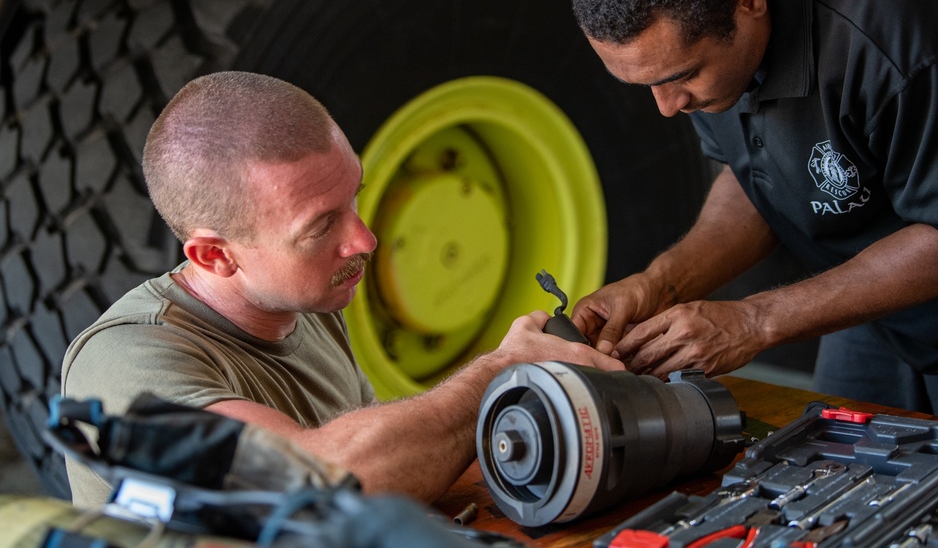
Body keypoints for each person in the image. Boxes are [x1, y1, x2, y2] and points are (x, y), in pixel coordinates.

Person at [60, 71, 623, 508]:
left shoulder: (306, 299)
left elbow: (394, 470)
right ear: (215, 255)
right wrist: (500, 373)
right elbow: (323, 485)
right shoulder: (124, 367)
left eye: (353, 197)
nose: (366, 239)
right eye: (321, 226)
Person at [563, 0, 938, 426]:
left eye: (682, 78)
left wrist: (755, 321)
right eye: (644, 85)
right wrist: (661, 284)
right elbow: (761, 175)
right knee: (836, 472)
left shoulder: (895, 26)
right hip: (871, 291)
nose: (668, 107)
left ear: (751, 0)